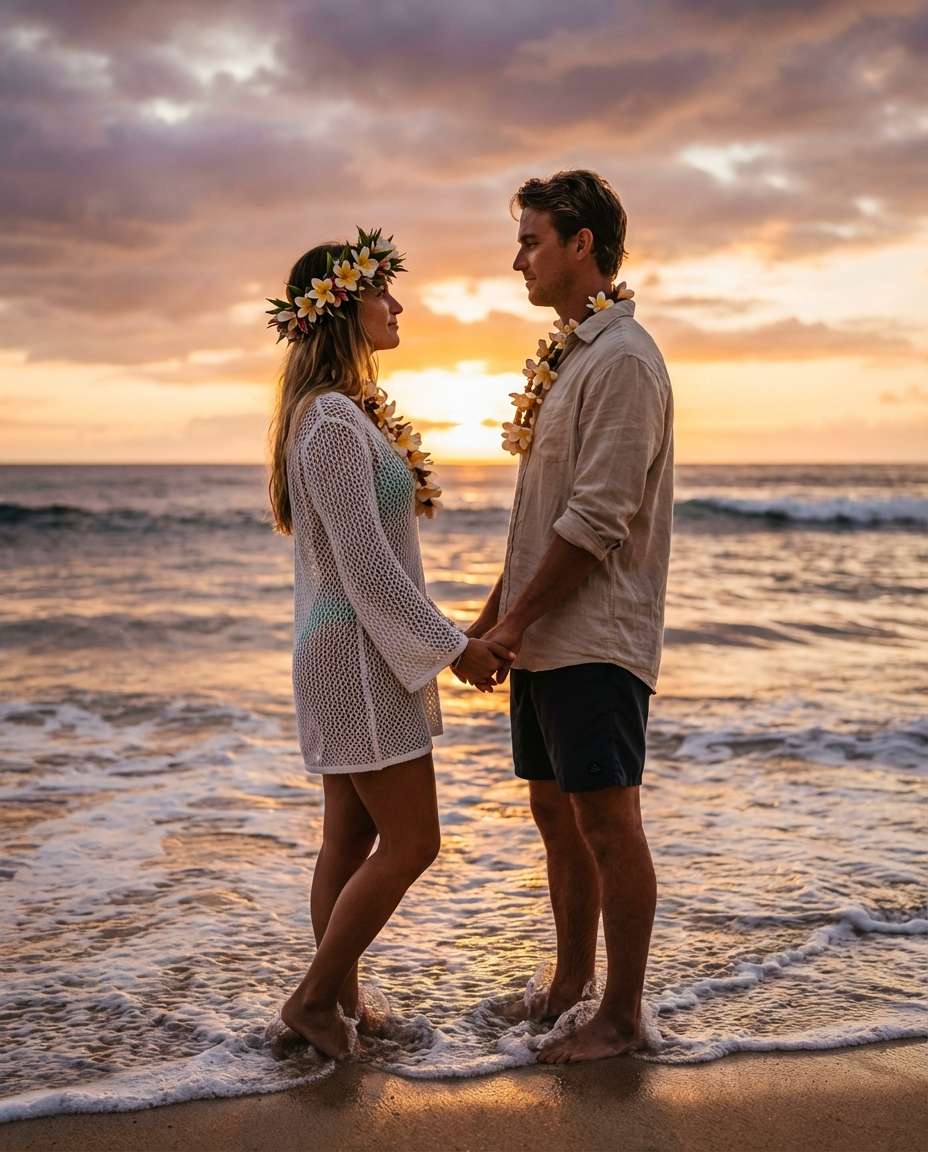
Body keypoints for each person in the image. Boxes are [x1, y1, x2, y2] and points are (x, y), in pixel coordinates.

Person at [266, 230, 514, 1060]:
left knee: (348, 839)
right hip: (355, 659)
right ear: (341, 308)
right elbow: (369, 572)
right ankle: (311, 1000)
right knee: (414, 843)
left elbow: (367, 566)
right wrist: (457, 647)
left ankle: (340, 1007)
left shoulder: (336, 414)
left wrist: (447, 637)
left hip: (344, 649)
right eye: (383, 292)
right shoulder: (332, 421)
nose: (398, 305)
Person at [462, 171, 674, 1063]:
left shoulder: (624, 361)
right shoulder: (572, 357)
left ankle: (621, 1018)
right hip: (547, 638)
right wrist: (492, 616)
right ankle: (569, 987)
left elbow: (597, 519)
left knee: (606, 822)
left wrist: (511, 628)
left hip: (595, 639)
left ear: (581, 244)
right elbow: (540, 515)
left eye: (531, 242)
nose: (518, 261)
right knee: (555, 813)